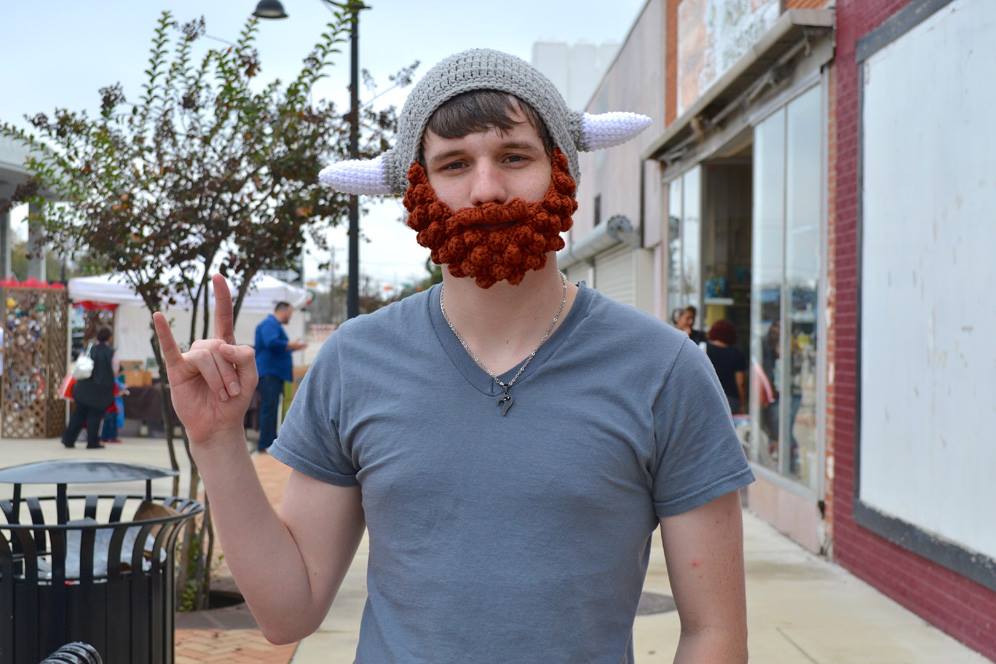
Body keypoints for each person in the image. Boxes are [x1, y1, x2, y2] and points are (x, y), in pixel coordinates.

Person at [153, 49, 753, 663]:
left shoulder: (665, 369)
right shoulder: (355, 360)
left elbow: (714, 631)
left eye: (514, 156)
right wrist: (218, 441)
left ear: (561, 168)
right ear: (418, 187)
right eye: (454, 163)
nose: (487, 187)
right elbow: (287, 612)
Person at [253, 301, 306, 452]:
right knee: (268, 408)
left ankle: (270, 441)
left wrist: (290, 347)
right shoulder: (270, 324)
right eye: (289, 313)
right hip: (269, 372)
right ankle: (265, 444)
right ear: (282, 311)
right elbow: (272, 343)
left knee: (271, 407)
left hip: (274, 373)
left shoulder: (273, 326)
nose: (290, 316)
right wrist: (291, 345)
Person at [62, 327, 115, 449]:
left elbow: (80, 365)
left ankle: (68, 439)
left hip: (83, 388)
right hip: (100, 390)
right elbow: (115, 370)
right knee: (95, 416)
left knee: (78, 414)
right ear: (109, 338)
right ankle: (92, 441)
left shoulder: (89, 349)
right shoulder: (110, 352)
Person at [705, 319, 748, 415]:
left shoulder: (704, 350)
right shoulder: (737, 354)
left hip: (708, 398)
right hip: (730, 401)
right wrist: (742, 404)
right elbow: (740, 382)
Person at [100, 367, 129, 443]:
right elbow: (115, 393)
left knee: (107, 422)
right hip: (113, 405)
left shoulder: (109, 380)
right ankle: (112, 437)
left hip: (108, 405)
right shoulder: (113, 381)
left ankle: (104, 437)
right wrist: (123, 392)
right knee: (113, 422)